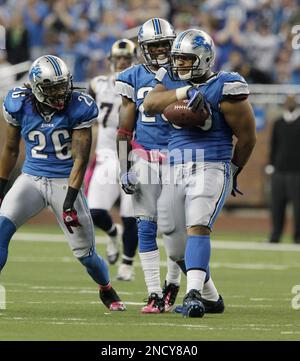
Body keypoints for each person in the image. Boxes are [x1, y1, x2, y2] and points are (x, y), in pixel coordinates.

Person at [144, 28, 256, 317]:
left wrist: (232, 169)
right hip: (175, 165)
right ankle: (211, 296)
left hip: (211, 163)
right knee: (171, 234)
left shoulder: (226, 86)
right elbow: (150, 104)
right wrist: (185, 92)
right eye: (177, 59)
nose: (179, 65)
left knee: (197, 225)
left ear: (205, 59)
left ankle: (192, 293)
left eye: (186, 60)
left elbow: (247, 137)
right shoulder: (170, 79)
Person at [0, 55, 125, 312]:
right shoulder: (18, 103)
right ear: (36, 88)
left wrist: (69, 202)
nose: (60, 93)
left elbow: (81, 158)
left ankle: (106, 288)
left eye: (62, 85)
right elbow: (11, 148)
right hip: (31, 179)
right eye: (52, 88)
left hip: (65, 181)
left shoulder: (79, 106)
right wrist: (1, 188)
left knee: (86, 256)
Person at [115, 18, 183, 313]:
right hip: (145, 154)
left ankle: (172, 285)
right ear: (142, 48)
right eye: (152, 46)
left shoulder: (185, 73)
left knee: (175, 228)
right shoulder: (132, 76)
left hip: (180, 155)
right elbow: (124, 129)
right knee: (145, 224)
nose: (157, 52)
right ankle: (154, 292)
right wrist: (122, 165)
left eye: (163, 46)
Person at [86, 39, 138, 281]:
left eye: (127, 59)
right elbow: (88, 121)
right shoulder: (97, 84)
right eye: (119, 59)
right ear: (111, 61)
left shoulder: (141, 84)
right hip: (106, 154)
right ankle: (112, 232)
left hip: (134, 155)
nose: (122, 63)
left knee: (131, 215)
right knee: (94, 211)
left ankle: (127, 263)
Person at [267, 95, 300, 244]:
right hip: (279, 171)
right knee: (277, 205)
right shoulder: (278, 123)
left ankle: (297, 237)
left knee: (298, 206)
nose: (290, 104)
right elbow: (273, 146)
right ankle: (275, 236)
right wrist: (271, 165)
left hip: (297, 172)